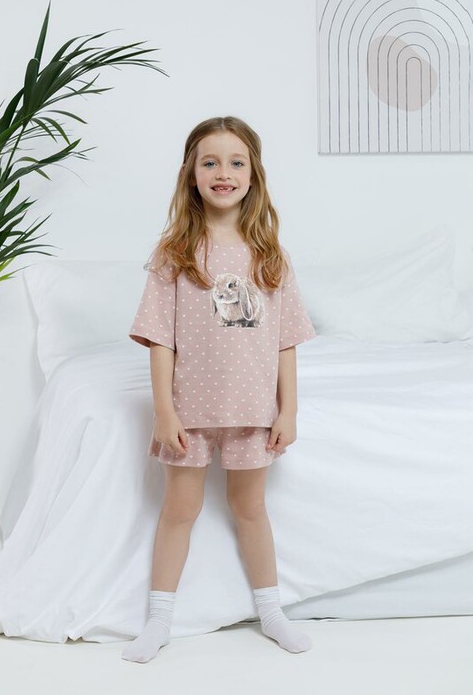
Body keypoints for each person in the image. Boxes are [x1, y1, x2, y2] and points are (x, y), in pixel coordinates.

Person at [122, 116, 317, 663]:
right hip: (190, 411)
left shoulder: (270, 255)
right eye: (210, 162)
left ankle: (272, 612)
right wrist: (164, 411)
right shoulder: (175, 253)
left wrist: (288, 411)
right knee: (179, 510)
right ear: (192, 174)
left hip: (253, 410)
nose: (223, 173)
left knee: (250, 508)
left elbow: (285, 342)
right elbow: (160, 340)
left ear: (253, 175)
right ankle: (158, 620)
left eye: (236, 162)